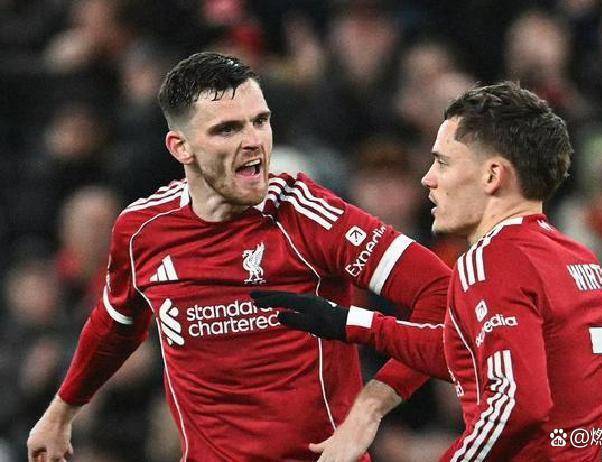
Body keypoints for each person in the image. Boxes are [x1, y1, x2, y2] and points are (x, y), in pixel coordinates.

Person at [27, 52, 451, 462]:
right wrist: (60, 413)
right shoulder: (143, 230)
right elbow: (116, 325)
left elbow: (444, 295)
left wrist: (370, 408)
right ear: (181, 147)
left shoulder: (307, 216)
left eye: (260, 121)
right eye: (227, 129)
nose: (253, 141)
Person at [254, 82, 602, 461]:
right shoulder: (578, 259)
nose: (428, 178)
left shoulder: (493, 259)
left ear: (492, 176)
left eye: (443, 163)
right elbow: (472, 354)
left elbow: (516, 405)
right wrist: (352, 323)